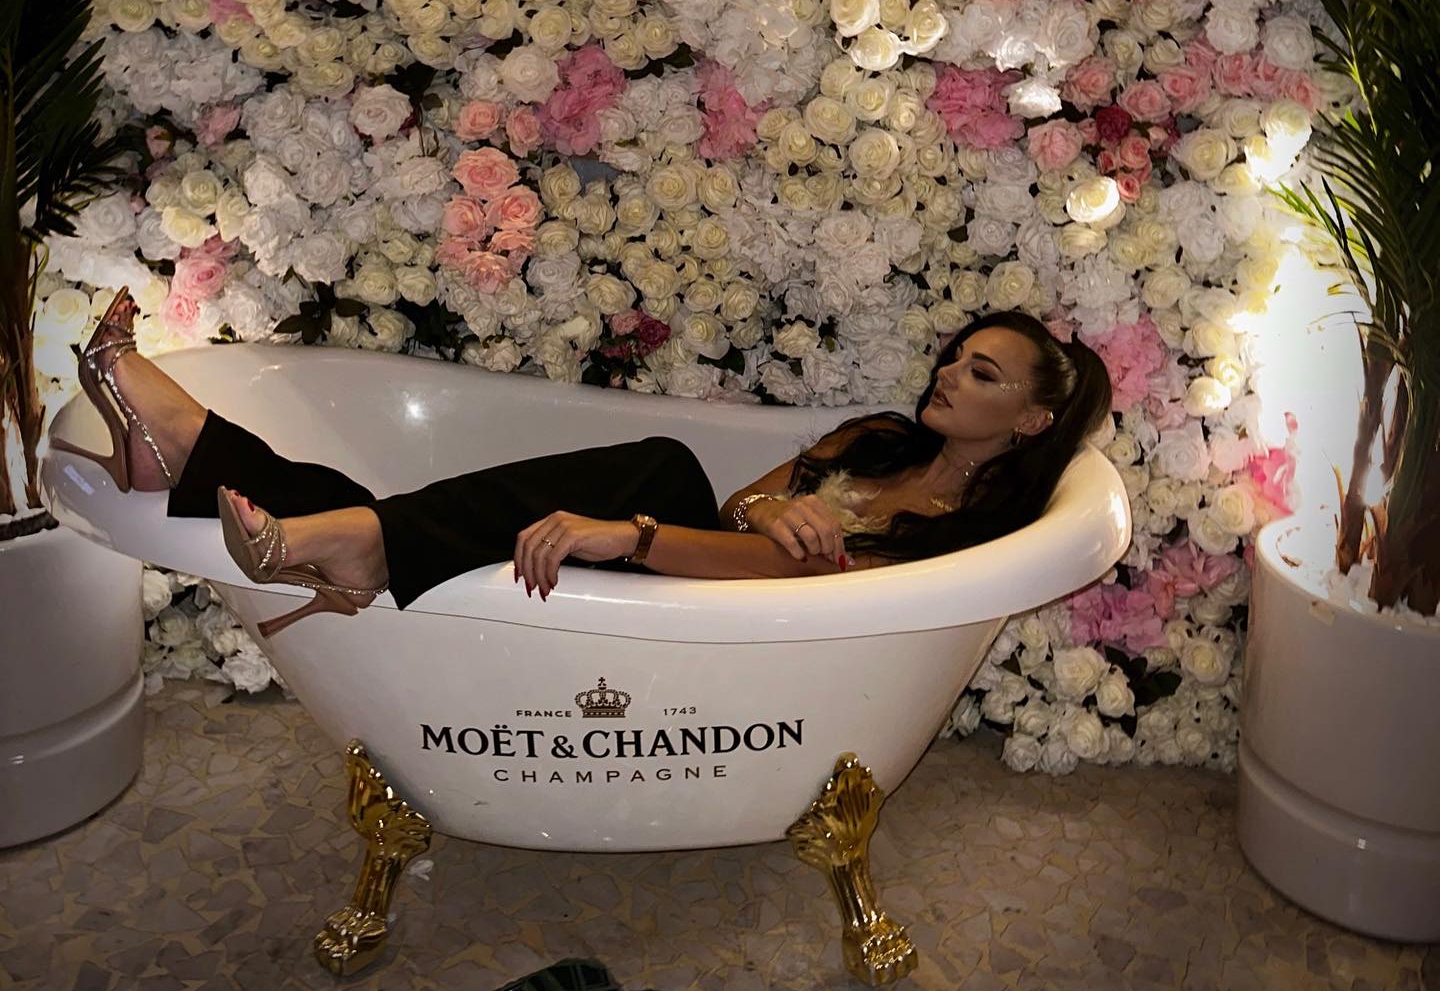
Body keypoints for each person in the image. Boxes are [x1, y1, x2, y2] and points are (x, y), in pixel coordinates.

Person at [54, 288, 1113, 638]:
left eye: (981, 375)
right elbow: (743, 506)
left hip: (730, 628)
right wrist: (765, 510)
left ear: (1030, 422)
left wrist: (631, 538)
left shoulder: (966, 532)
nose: (948, 376)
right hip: (694, 558)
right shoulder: (876, 437)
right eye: (954, 357)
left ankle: (199, 455)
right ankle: (337, 530)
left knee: (645, 480)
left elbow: (794, 581)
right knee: (662, 464)